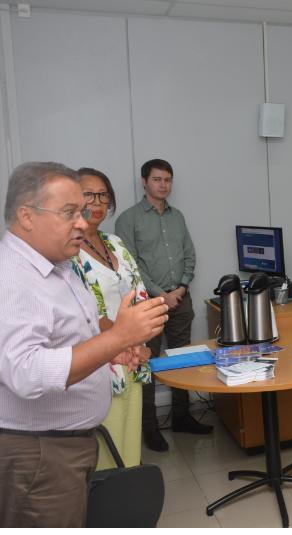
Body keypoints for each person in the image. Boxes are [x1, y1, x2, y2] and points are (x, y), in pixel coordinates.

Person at [1, 162, 168, 528]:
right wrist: (118, 338)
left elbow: (74, 333)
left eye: (83, 210)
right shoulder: (11, 277)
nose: (82, 221)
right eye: (69, 212)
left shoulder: (57, 264)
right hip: (40, 452)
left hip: (65, 444)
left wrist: (113, 347)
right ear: (26, 216)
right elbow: (27, 373)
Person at [115, 158, 204, 452]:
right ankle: (150, 428)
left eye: (167, 180)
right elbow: (131, 264)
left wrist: (181, 287)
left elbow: (189, 254)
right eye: (157, 179)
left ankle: (182, 416)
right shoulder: (128, 220)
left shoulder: (177, 217)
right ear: (144, 182)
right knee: (147, 363)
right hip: (147, 304)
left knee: (182, 360)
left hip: (180, 299)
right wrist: (161, 295)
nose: (163, 185)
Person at [71, 168, 152, 470]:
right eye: (89, 195)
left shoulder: (115, 242)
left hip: (132, 359)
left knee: (129, 446)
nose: (97, 202)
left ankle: (127, 497)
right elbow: (86, 311)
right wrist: (124, 341)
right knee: (106, 450)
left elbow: (139, 293)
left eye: (103, 196)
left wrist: (140, 343)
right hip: (99, 363)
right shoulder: (68, 249)